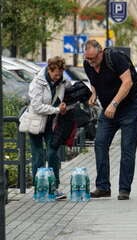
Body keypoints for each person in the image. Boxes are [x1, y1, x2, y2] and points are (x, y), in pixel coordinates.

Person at [83, 40, 137, 200]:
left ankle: (124, 189)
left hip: (130, 108)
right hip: (109, 111)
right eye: (88, 59)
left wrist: (114, 104)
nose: (91, 63)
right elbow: (94, 81)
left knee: (127, 149)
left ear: (101, 52)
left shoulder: (115, 57)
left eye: (94, 59)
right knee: (100, 143)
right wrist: (94, 94)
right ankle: (103, 187)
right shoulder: (88, 64)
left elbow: (128, 82)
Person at [28, 56, 69, 200]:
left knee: (52, 153)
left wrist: (63, 106)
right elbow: (37, 106)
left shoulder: (62, 81)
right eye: (56, 74)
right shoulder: (37, 82)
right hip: (36, 123)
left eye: (60, 74)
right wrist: (57, 110)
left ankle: (54, 187)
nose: (58, 77)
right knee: (38, 156)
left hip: (51, 123)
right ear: (49, 70)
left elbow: (61, 99)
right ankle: (39, 188)